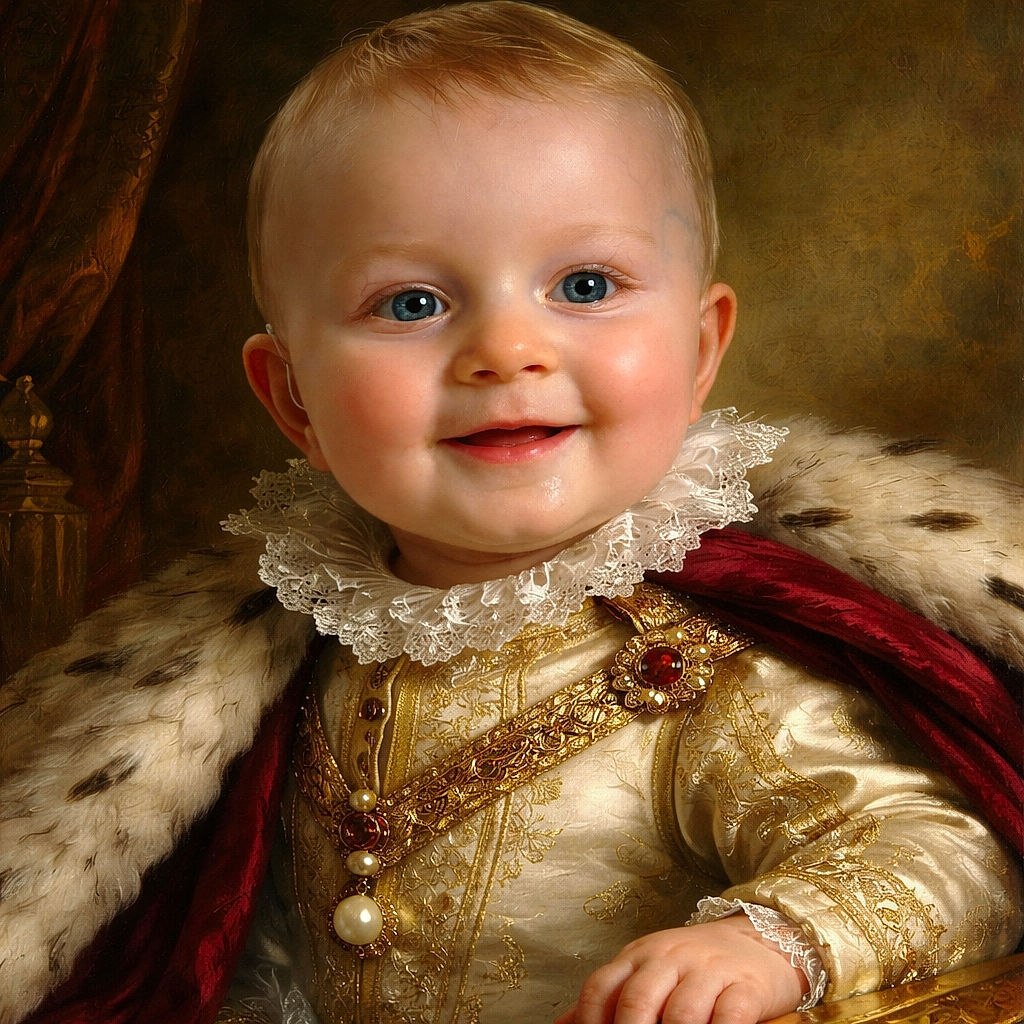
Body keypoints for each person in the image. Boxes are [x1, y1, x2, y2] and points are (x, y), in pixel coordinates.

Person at [3, 4, 1021, 1024]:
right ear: (294, 400)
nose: (505, 350)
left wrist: (763, 947)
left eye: (584, 284)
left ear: (700, 349)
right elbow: (230, 945)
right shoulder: (276, 663)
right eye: (409, 304)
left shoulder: (704, 666)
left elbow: (945, 851)